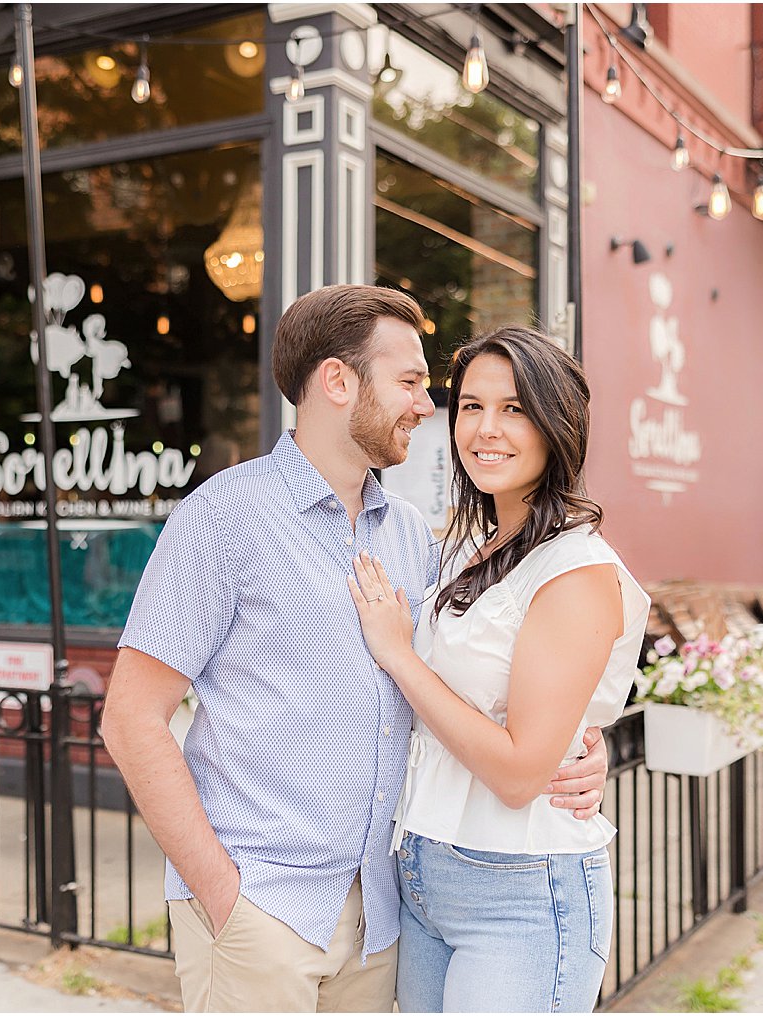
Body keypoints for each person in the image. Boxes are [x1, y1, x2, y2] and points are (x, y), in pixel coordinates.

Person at [101, 286, 611, 1013]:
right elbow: (130, 720)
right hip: (263, 910)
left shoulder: (411, 536)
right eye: (408, 381)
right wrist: (223, 892)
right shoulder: (222, 518)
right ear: (338, 382)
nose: (426, 406)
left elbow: (483, 685)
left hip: (384, 918)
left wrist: (582, 748)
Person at [348, 326, 649, 1012]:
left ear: (557, 424)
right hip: (423, 869)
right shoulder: (473, 547)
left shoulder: (574, 570)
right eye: (472, 406)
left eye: (514, 409)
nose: (486, 429)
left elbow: (519, 774)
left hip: (521, 890)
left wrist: (397, 654)